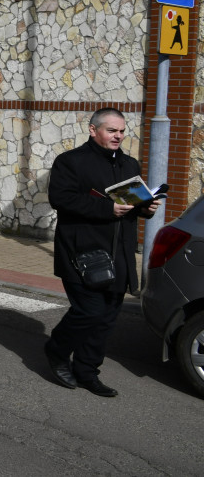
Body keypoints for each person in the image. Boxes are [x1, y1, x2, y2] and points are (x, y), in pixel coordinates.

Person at [45, 108, 159, 397]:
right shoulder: (70, 162)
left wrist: (146, 208)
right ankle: (56, 351)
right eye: (112, 130)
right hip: (81, 253)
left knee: (107, 317)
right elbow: (61, 198)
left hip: (119, 253)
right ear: (93, 130)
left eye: (121, 131)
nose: (118, 136)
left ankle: (86, 371)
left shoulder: (129, 164)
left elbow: (131, 206)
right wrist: (106, 208)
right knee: (89, 311)